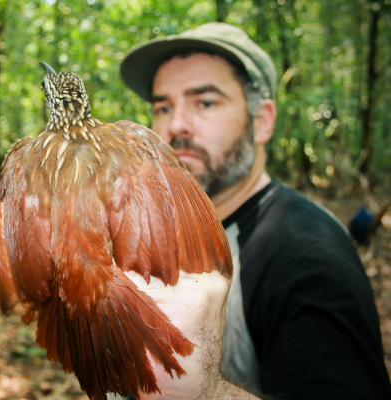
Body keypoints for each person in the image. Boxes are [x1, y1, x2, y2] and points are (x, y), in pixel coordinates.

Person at [114, 22, 391, 399]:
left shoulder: (306, 254)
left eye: (205, 102)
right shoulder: (163, 231)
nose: (174, 126)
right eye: (163, 106)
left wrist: (204, 393)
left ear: (261, 122)